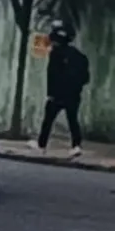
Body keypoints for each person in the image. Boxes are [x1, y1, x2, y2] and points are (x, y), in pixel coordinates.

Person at [29, 20, 90, 158]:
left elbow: (53, 75)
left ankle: (41, 145)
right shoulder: (79, 56)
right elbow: (85, 78)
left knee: (48, 120)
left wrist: (51, 93)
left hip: (57, 95)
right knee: (73, 120)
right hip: (73, 95)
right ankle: (76, 145)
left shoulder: (55, 54)